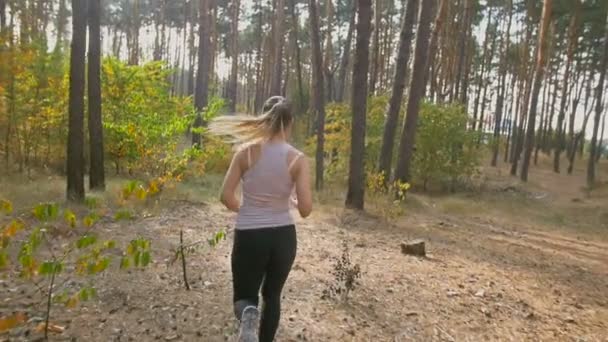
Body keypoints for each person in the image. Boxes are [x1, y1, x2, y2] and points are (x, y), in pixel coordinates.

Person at [209, 96, 313, 342]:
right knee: (273, 295)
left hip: (250, 235)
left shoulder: (245, 153)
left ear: (262, 119)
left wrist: (248, 210)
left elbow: (225, 196)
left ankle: (248, 315)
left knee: (244, 298)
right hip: (283, 238)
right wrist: (294, 203)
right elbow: (306, 209)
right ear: (290, 123)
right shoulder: (297, 159)